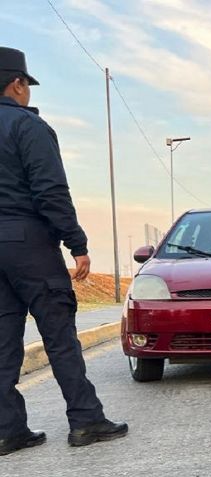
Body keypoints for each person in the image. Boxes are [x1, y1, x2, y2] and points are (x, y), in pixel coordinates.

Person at [0, 47, 127, 455]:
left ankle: (8, 430)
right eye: (26, 86)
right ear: (17, 84)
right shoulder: (27, 127)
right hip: (28, 244)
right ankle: (86, 421)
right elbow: (50, 191)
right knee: (59, 334)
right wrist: (77, 243)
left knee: (2, 341)